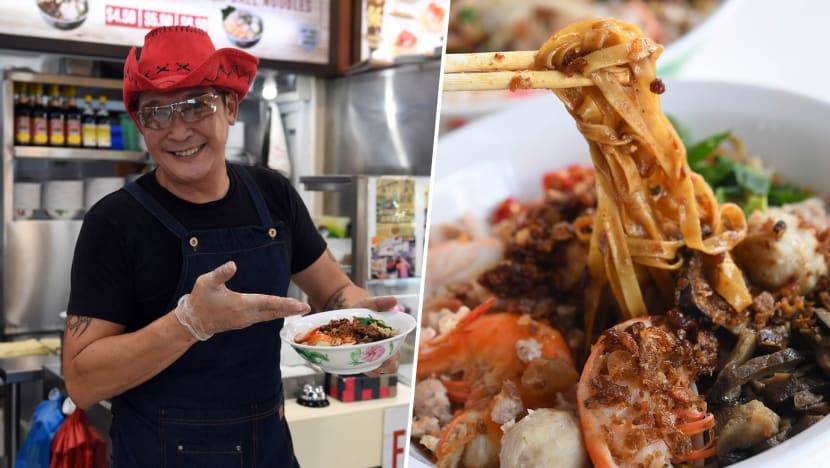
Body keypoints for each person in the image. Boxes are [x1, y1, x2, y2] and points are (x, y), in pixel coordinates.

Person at [62, 26, 397, 467]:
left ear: (231, 107)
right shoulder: (115, 222)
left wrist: (366, 329)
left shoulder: (272, 193)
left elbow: (333, 291)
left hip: (268, 449)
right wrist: (191, 322)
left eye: (195, 106)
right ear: (141, 125)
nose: (178, 130)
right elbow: (82, 382)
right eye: (157, 113)